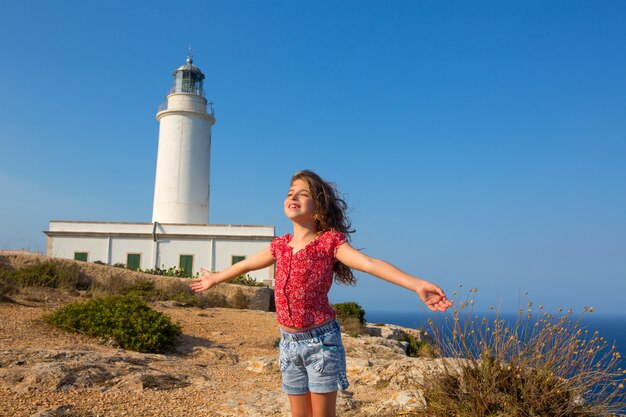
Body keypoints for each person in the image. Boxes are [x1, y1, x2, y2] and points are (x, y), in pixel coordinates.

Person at [190, 170, 452, 417]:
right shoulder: (280, 245)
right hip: (288, 343)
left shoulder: (328, 243)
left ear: (319, 208)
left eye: (303, 194)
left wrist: (416, 284)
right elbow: (246, 264)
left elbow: (370, 264)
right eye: (290, 192)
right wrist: (215, 278)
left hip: (321, 343)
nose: (293, 196)